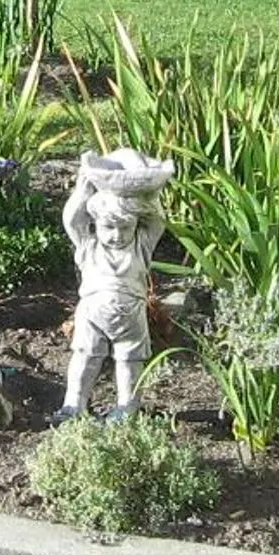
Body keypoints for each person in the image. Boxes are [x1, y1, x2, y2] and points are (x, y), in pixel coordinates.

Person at [53, 149, 174, 421]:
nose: (117, 235)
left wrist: (150, 195)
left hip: (131, 315)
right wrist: (83, 187)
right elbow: (71, 220)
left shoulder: (141, 247)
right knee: (85, 357)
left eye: (125, 228)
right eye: (109, 227)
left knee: (130, 361)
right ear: (96, 224)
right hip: (92, 314)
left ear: (136, 227)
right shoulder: (88, 245)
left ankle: (127, 407)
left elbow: (157, 221)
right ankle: (74, 405)